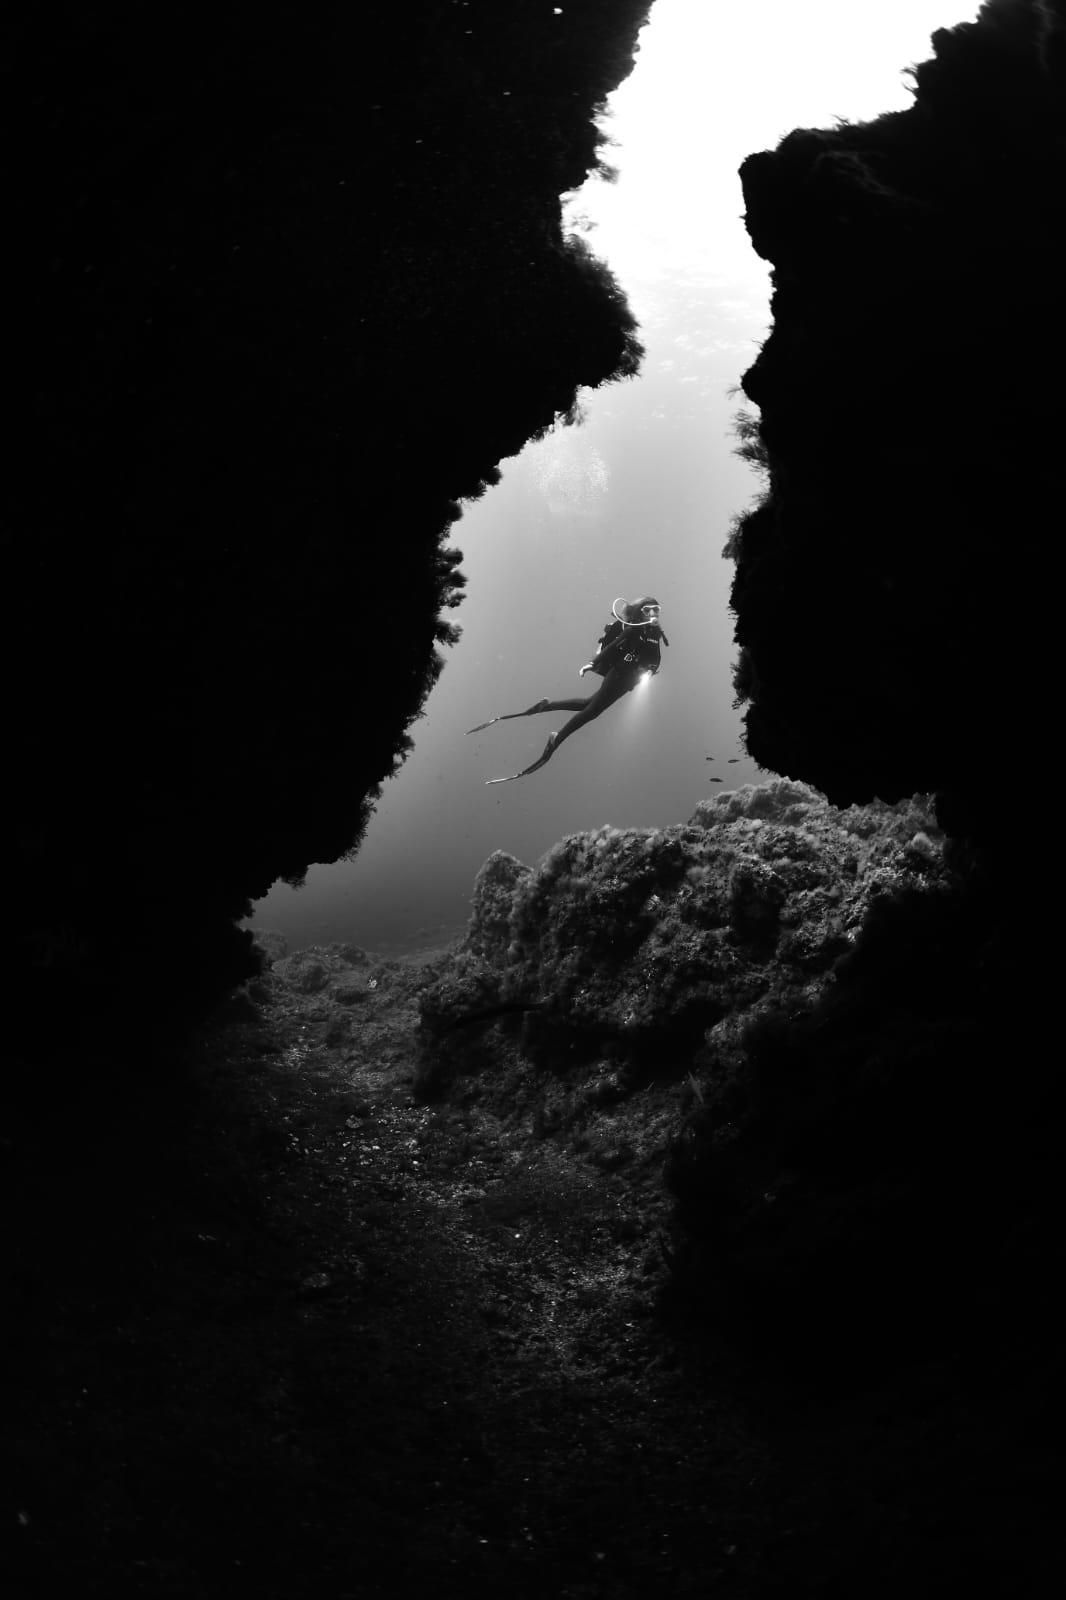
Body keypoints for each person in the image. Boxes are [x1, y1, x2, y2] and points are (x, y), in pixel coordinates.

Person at [467, 596, 669, 783]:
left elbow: (655, 656)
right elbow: (613, 646)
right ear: (640, 612)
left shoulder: (654, 632)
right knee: (591, 712)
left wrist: (651, 670)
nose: (653, 614)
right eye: (648, 609)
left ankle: (545, 706)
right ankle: (557, 738)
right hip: (618, 674)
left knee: (587, 704)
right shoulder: (634, 629)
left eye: (656, 609)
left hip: (629, 681)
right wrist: (592, 663)